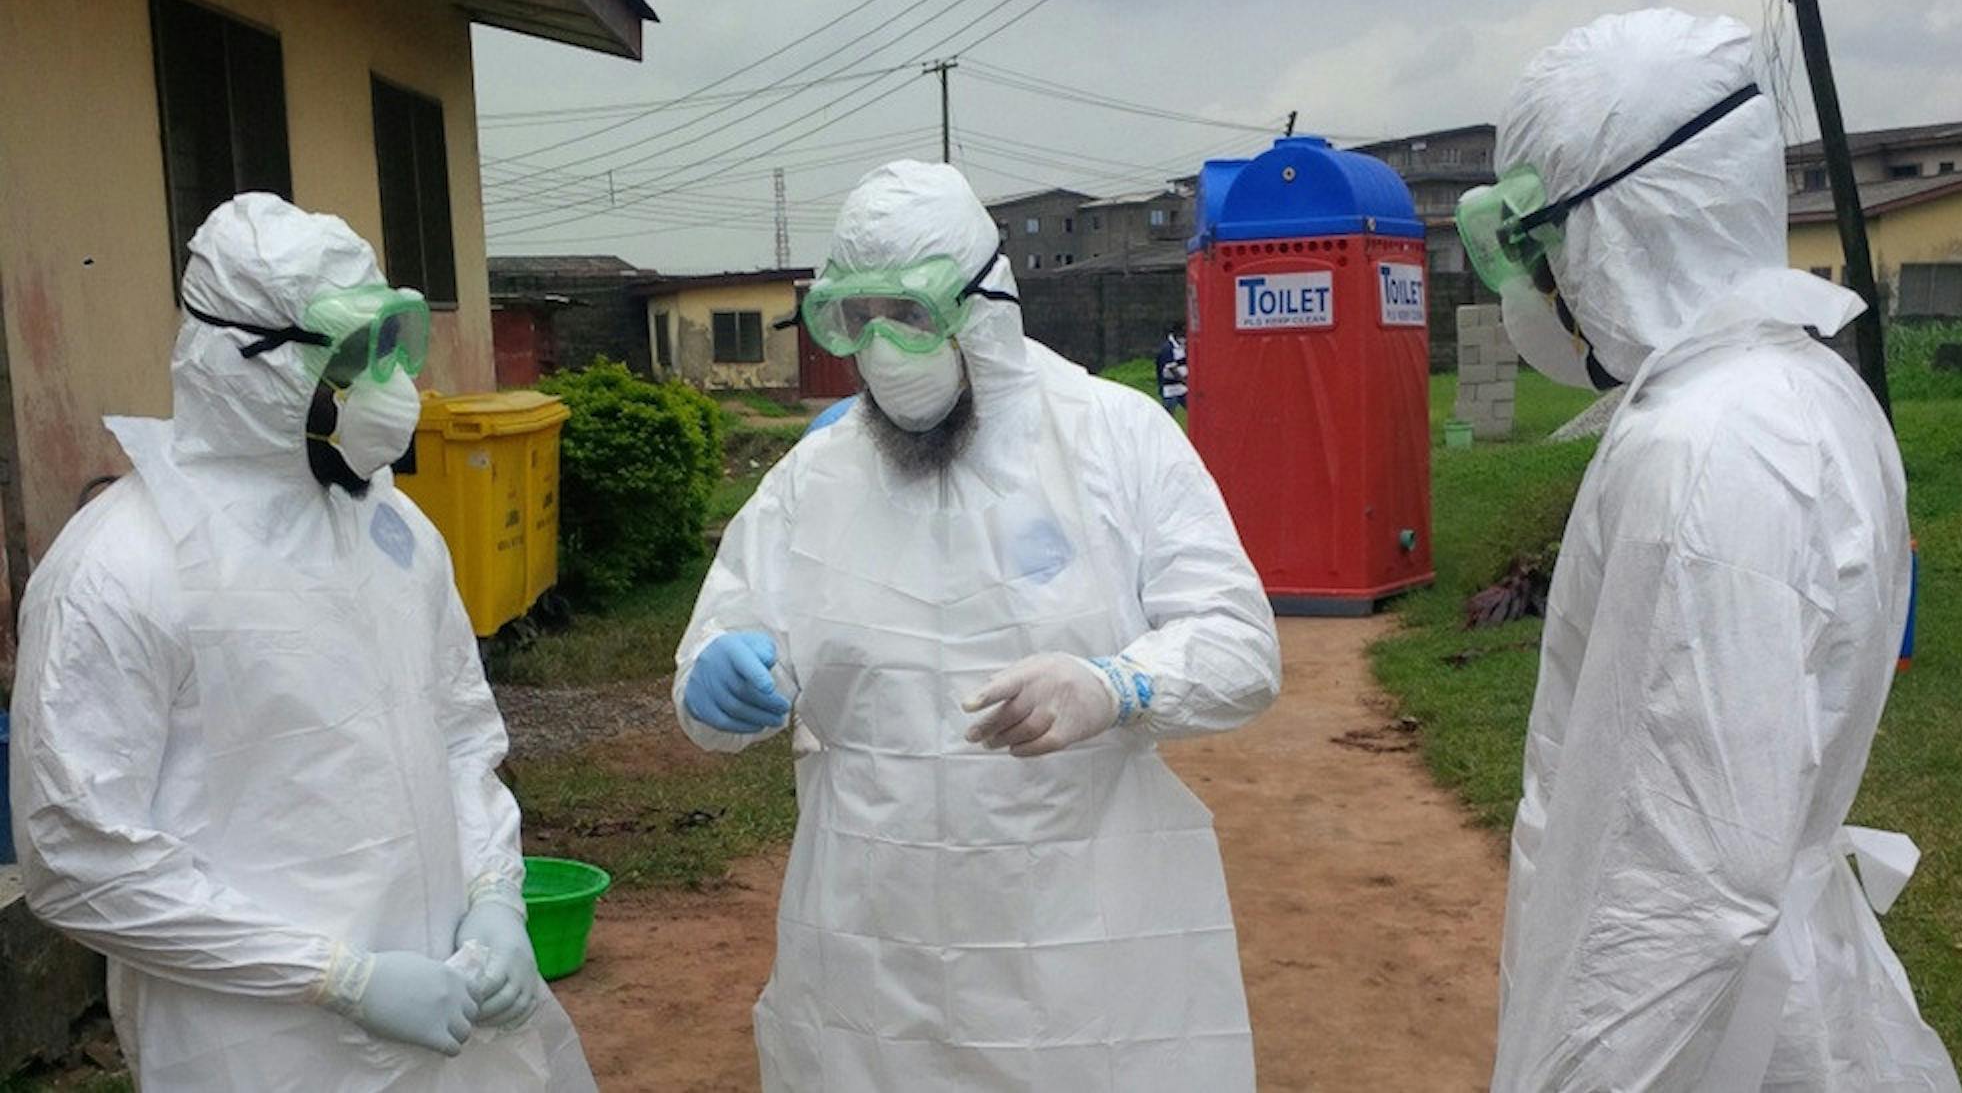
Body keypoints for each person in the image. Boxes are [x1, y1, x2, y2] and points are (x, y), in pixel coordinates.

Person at [673, 161, 1280, 1091]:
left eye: (910, 316)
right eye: (857, 318)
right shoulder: (815, 479)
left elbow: (1239, 642)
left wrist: (1118, 686)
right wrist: (715, 678)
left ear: (985, 305)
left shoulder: (1115, 441)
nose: (881, 348)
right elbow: (722, 644)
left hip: (1079, 955)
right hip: (871, 953)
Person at [1456, 10, 1961, 1091]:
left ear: (1615, 228)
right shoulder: (1797, 384)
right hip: (1770, 1000)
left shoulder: (1703, 451)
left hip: (1710, 1043)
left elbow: (1675, 886)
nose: (1534, 289)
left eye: (1540, 245)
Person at [8, 194, 596, 1092]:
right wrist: (338, 978)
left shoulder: (392, 528)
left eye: (390, 345)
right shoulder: (120, 570)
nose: (390, 383)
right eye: (352, 355)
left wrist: (492, 901)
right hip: (256, 1047)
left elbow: (460, 739)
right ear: (246, 363)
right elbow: (78, 856)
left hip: (457, 1017)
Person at [1155, 320, 1189, 413]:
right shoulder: (1168, 348)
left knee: (1196, 411)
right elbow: (1172, 368)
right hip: (1170, 388)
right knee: (1168, 415)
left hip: (1182, 388)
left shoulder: (1183, 346)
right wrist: (1186, 381)